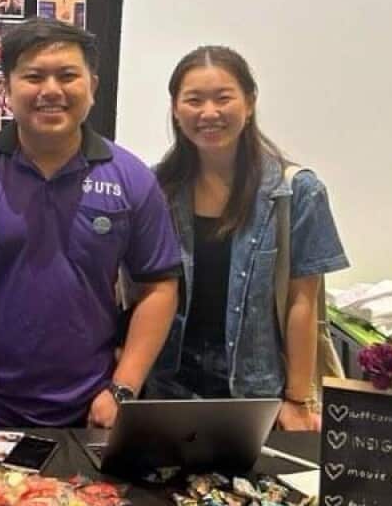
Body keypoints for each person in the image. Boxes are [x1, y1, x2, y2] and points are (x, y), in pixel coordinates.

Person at [0, 19, 181, 428]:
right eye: (33, 76)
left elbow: (160, 287)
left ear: (92, 85)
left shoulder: (132, 178)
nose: (51, 90)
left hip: (89, 410)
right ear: (7, 89)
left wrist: (123, 388)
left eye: (68, 75)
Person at [148, 46, 349, 431]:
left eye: (223, 98)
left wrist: (297, 398)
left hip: (257, 393)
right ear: (175, 108)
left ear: (250, 102)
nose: (209, 113)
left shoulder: (297, 191)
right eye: (194, 100)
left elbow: (302, 301)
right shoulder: (156, 188)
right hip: (166, 389)